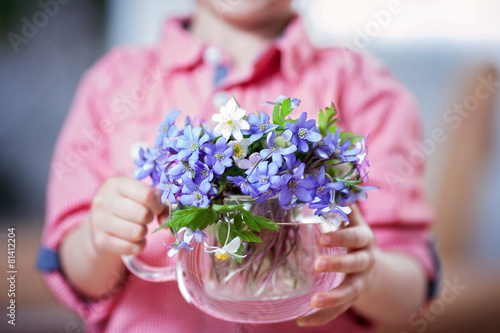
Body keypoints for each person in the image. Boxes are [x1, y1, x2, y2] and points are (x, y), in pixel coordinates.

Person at [38, 0, 438, 332]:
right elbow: (77, 276)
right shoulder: (112, 83)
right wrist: (97, 240)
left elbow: (410, 288)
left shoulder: (369, 92)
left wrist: (369, 275)